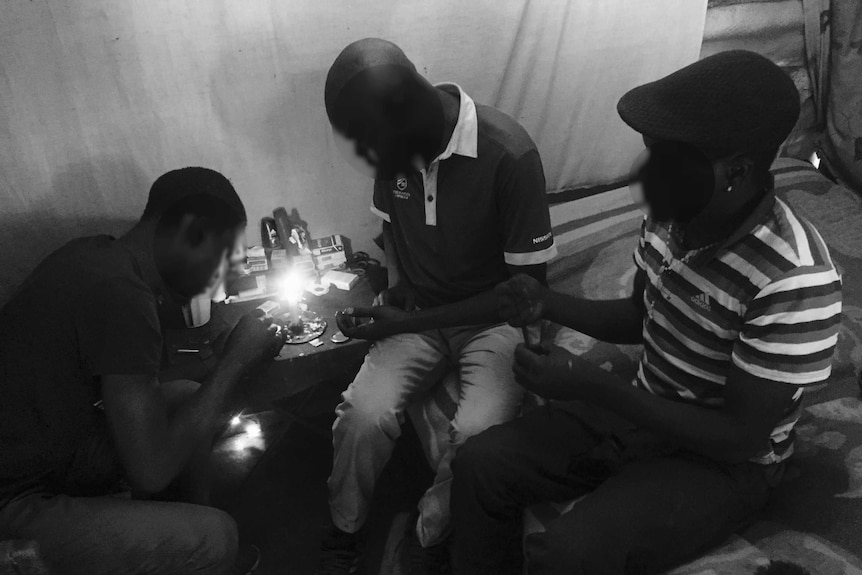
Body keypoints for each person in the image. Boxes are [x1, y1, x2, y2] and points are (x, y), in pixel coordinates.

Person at [450, 50, 843, 575]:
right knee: (480, 463)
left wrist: (591, 385)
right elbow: (643, 316)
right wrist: (549, 303)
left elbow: (738, 437)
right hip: (648, 404)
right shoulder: (671, 218)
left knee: (568, 554)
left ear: (738, 171)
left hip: (723, 464)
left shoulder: (793, 277)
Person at [318, 38, 557, 574]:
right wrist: (399, 288)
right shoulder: (395, 141)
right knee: (362, 414)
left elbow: (526, 294)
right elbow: (390, 224)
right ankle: (344, 528)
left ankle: (428, 531)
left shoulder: (509, 156)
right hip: (420, 315)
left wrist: (411, 319)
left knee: (477, 434)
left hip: (493, 323)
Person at [0, 167, 284, 575]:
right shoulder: (122, 298)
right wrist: (235, 362)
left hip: (49, 451)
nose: (216, 279)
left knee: (184, 394)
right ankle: (196, 548)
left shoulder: (95, 255)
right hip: (13, 500)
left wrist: (218, 361)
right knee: (217, 537)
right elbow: (150, 471)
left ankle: (176, 537)